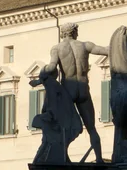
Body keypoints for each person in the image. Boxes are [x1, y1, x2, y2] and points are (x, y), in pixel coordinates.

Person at [44, 23, 109, 163]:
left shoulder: (57, 48)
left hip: (68, 89)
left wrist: (44, 73)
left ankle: (63, 157)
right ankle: (99, 159)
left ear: (62, 34)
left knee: (63, 128)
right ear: (74, 32)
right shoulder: (85, 46)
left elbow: (51, 66)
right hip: (83, 89)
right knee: (91, 128)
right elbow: (106, 50)